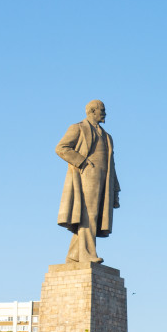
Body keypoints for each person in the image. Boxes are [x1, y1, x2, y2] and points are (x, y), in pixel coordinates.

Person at [56, 99, 121, 264]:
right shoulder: (78, 127)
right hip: (86, 175)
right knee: (88, 214)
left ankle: (74, 255)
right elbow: (61, 148)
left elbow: (112, 164)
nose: (105, 113)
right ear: (93, 111)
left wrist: (115, 188)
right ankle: (87, 254)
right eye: (102, 110)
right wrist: (82, 162)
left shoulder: (107, 137)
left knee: (92, 216)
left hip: (104, 179)